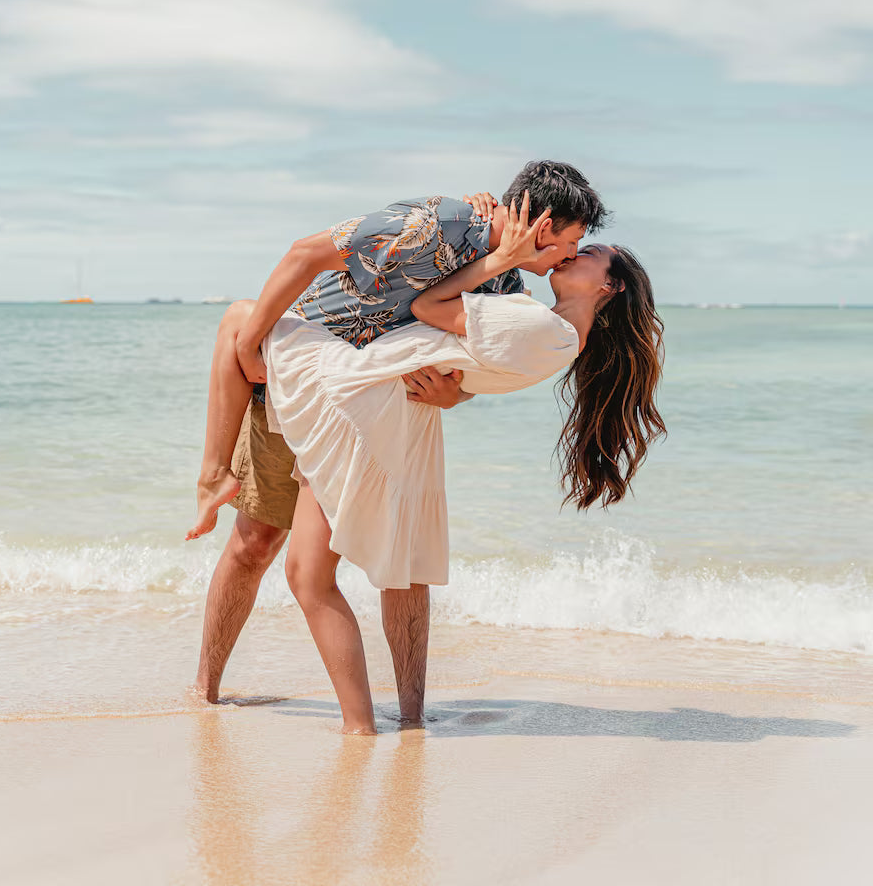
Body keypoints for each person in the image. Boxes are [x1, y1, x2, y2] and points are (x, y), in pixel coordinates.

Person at [212, 200, 666, 734]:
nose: (570, 254)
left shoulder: (534, 318)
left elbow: (433, 312)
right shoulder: (528, 311)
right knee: (360, 565)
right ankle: (399, 722)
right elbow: (467, 362)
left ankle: (364, 725)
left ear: (608, 287)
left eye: (585, 252)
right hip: (378, 402)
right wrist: (455, 392)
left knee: (314, 575)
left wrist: (494, 271)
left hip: (352, 395)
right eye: (575, 241)